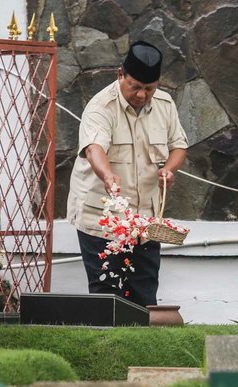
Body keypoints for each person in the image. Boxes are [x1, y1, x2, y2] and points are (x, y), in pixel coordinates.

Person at [67, 41, 188, 307]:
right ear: (120, 74)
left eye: (149, 88)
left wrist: (169, 169)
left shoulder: (165, 105)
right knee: (108, 294)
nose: (142, 95)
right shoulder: (101, 106)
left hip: (146, 220)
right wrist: (108, 175)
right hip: (102, 219)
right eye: (135, 86)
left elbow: (179, 146)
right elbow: (93, 149)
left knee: (145, 291)